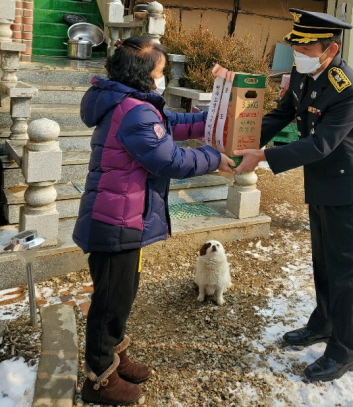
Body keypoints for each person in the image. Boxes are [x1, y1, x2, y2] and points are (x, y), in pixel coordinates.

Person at [73, 36, 234, 406]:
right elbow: (170, 160)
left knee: (123, 292)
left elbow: (171, 122)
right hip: (115, 221)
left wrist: (212, 120)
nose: (163, 78)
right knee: (110, 302)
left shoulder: (132, 103)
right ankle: (99, 379)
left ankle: (116, 356)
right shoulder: (134, 111)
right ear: (143, 75)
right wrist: (214, 158)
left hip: (124, 217)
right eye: (161, 72)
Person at [235, 9, 353, 383]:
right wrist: (241, 140)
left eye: (306, 48)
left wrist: (262, 156)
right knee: (323, 261)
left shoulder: (349, 89)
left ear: (330, 50)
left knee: (345, 269)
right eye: (296, 47)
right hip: (322, 183)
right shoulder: (302, 72)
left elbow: (321, 144)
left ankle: (346, 351)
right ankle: (324, 323)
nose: (298, 54)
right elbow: (282, 113)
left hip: (349, 188)